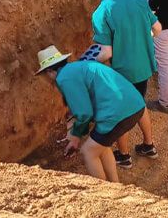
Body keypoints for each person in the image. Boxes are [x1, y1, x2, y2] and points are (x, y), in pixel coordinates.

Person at [82, 0, 162, 169]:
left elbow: (107, 52)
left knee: (121, 112)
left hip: (122, 72)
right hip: (143, 66)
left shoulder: (101, 13)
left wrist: (88, 62)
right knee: (139, 104)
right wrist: (140, 41)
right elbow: (157, 29)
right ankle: (149, 145)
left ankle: (124, 156)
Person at [35, 45, 148, 182]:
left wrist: (76, 135)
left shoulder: (64, 77)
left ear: (49, 72)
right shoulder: (77, 68)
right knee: (101, 146)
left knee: (88, 152)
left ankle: (104, 194)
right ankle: (115, 186)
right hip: (135, 105)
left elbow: (84, 112)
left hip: (118, 112)